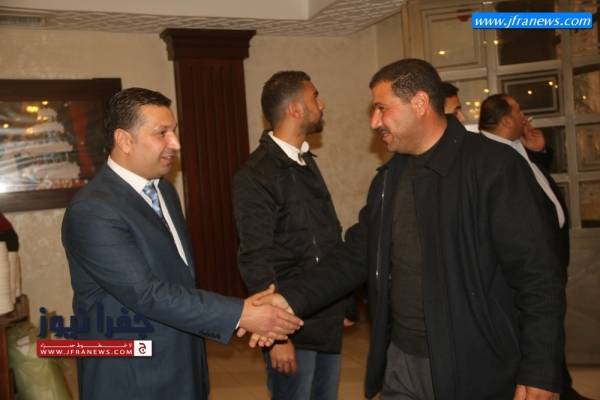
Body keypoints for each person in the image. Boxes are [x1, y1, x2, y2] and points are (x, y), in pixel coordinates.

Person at [254, 59, 567, 400]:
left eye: (381, 108)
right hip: (401, 361)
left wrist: (540, 367)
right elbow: (355, 255)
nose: (374, 122)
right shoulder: (389, 179)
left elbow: (538, 276)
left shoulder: (494, 166)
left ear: (419, 103)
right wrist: (286, 300)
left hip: (476, 365)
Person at [61, 87, 302, 400]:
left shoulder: (163, 190)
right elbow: (145, 293)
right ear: (124, 140)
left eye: (174, 131)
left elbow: (178, 280)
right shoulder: (93, 209)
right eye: (162, 133)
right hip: (131, 377)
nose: (175, 143)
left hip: (183, 363)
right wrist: (240, 313)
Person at [233, 71, 354, 400]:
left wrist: (343, 304)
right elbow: (256, 257)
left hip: (323, 310)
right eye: (315, 97)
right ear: (295, 109)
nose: (322, 104)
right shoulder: (255, 174)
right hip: (288, 320)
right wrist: (276, 336)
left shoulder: (304, 160)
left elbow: (326, 236)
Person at [479, 94, 592, 400]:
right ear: (505, 120)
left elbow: (538, 193)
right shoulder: (491, 158)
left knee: (547, 328)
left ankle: (560, 385)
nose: (525, 117)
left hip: (547, 265)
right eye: (519, 111)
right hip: (522, 273)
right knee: (533, 332)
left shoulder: (516, 149)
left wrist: (539, 153)